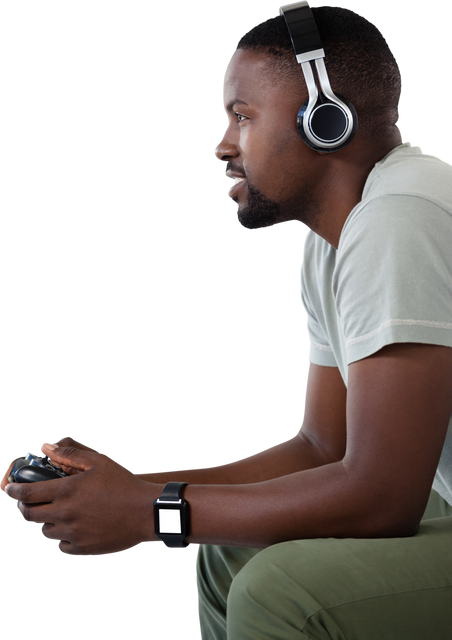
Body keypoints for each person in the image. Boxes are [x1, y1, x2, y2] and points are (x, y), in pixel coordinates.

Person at [2, 3, 452, 638]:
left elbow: (385, 499)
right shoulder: (335, 241)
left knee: (280, 590)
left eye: (243, 117)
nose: (222, 146)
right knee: (229, 549)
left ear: (326, 121)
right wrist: (131, 491)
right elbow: (326, 448)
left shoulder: (400, 217)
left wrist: (149, 516)